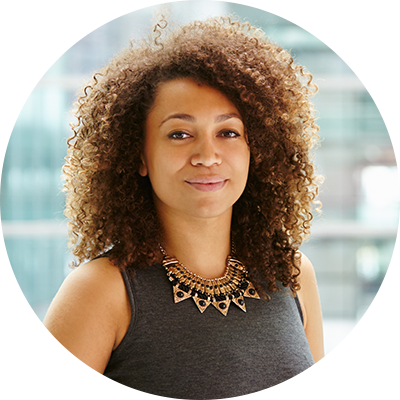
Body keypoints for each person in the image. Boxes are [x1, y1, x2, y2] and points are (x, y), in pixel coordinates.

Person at [16, 16, 330, 400]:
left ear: (257, 150)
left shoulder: (293, 274)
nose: (207, 155)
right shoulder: (100, 292)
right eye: (179, 134)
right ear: (140, 155)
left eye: (228, 132)